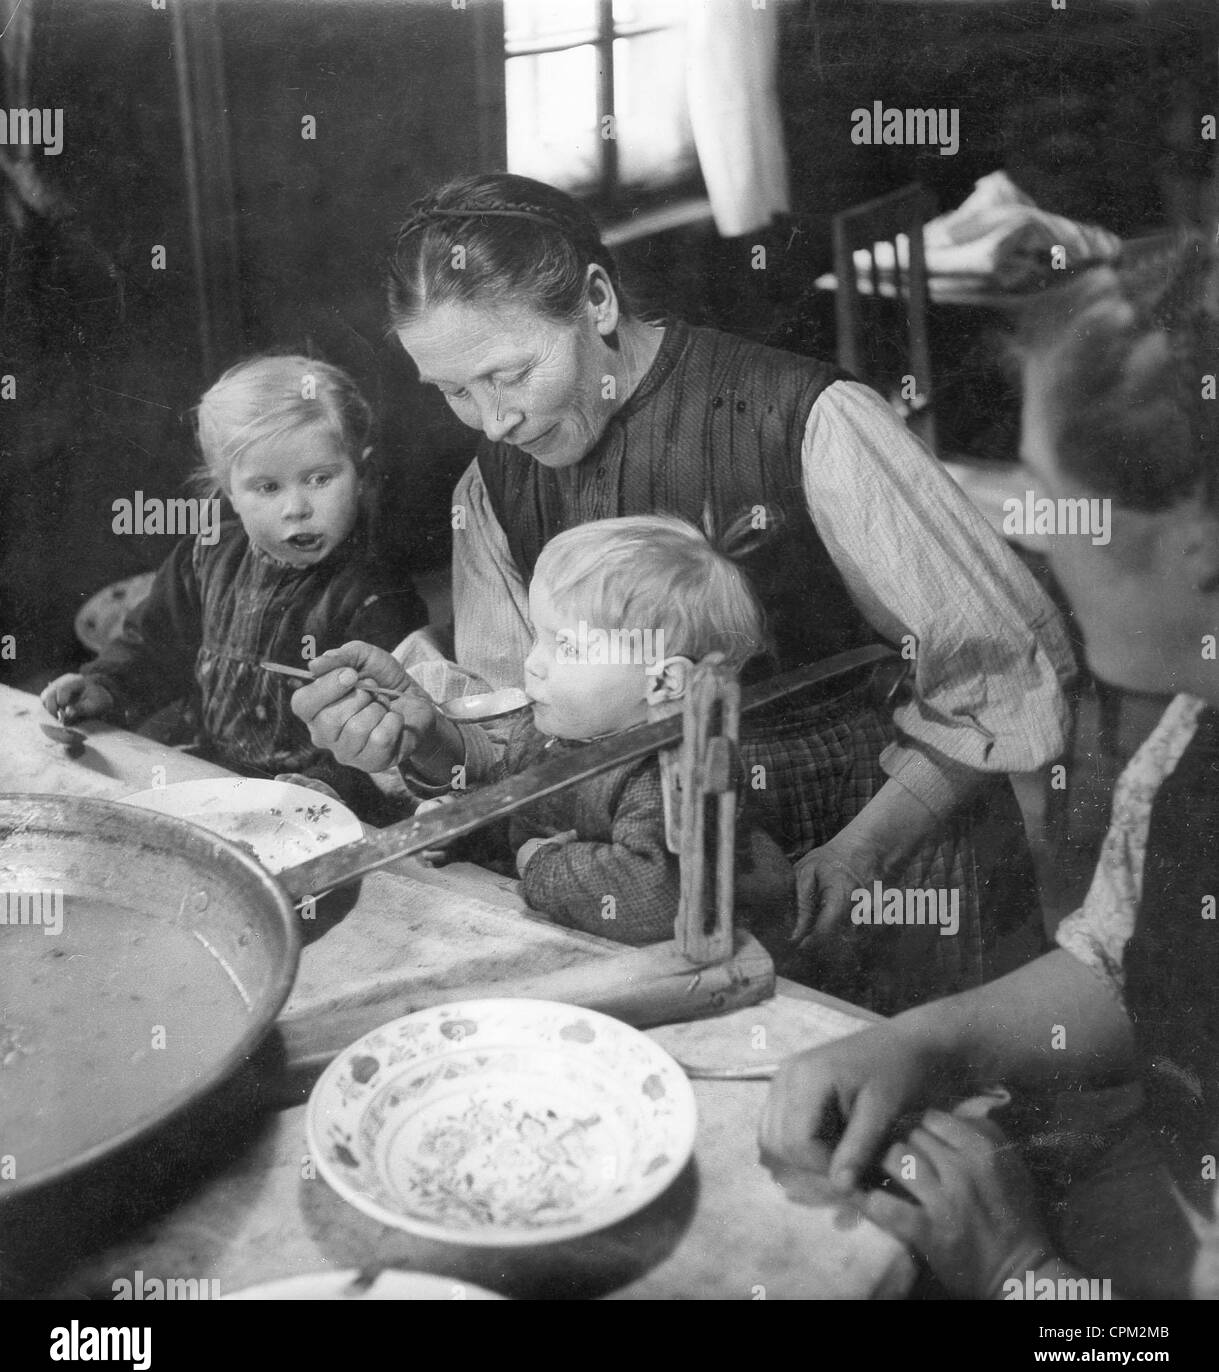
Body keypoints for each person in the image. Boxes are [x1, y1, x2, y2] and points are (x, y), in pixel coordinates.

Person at [292, 172, 1075, 1013]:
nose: (492, 422)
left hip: (877, 857)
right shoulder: (489, 491)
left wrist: (860, 855)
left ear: (595, 300)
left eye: (510, 374)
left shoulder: (806, 421)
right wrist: (433, 742)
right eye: (453, 391)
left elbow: (1003, 672)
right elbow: (534, 727)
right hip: (649, 897)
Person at [760, 234, 1219, 1300]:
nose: (1038, 543)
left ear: (1198, 540)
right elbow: (1120, 955)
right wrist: (930, 1042)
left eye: (1055, 502)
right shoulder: (1185, 733)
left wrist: (1021, 1273)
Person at [41, 355, 426, 813]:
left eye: (320, 479)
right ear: (228, 491)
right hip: (209, 775)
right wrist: (105, 687)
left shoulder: (376, 596)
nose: (296, 507)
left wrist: (322, 794)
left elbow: (382, 739)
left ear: (361, 473)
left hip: (311, 802)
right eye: (267, 488)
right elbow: (153, 648)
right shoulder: (205, 556)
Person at [412, 513, 796, 944]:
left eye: (567, 646)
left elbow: (655, 895)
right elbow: (518, 819)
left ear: (663, 681)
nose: (532, 662)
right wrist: (466, 826)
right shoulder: (544, 732)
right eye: (539, 636)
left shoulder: (669, 774)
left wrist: (539, 865)